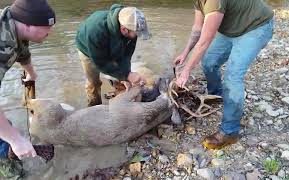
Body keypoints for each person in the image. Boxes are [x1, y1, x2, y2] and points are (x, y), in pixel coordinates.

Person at [174, 0, 274, 149]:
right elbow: (197, 29)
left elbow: (204, 41)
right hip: (230, 30)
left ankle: (230, 131)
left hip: (256, 27)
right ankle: (216, 95)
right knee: (208, 61)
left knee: (232, 78)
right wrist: (185, 52)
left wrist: (186, 70)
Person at [0, 0, 56, 160]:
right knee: (6, 138)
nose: (50, 32)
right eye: (47, 27)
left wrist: (30, 73)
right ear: (28, 25)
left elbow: (22, 52)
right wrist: (15, 139)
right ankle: (10, 170)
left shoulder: (14, 27)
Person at [76, 4, 152, 107]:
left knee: (122, 79)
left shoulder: (131, 29)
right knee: (94, 83)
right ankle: (94, 107)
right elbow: (101, 64)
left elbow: (127, 55)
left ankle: (119, 98)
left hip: (113, 43)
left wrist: (126, 75)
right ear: (124, 29)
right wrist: (127, 75)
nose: (137, 36)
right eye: (137, 34)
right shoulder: (96, 31)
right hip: (88, 50)